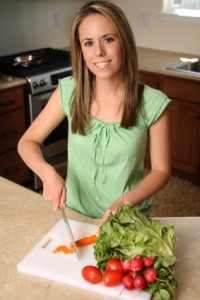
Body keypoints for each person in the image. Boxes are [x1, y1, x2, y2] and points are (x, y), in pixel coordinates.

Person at [18, 0, 171, 228]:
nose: (98, 52)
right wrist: (48, 174)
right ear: (80, 50)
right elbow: (27, 142)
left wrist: (121, 204)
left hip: (128, 218)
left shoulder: (153, 102)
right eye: (88, 43)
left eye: (108, 39)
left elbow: (161, 171)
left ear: (125, 42)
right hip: (75, 216)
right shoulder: (69, 90)